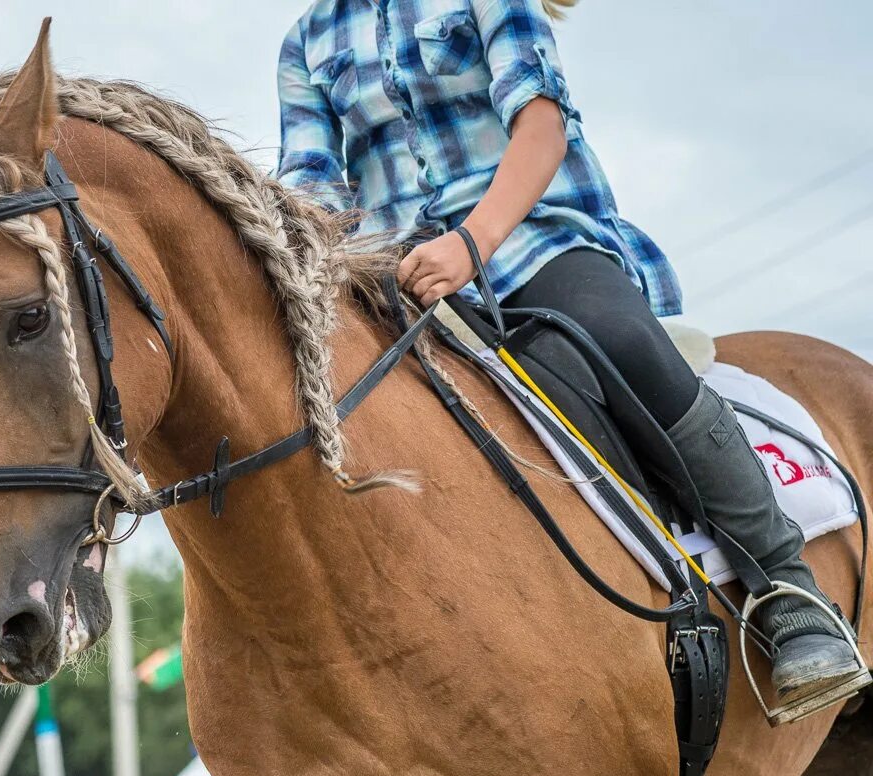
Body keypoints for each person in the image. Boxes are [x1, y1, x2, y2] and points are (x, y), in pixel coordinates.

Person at [276, 0, 864, 710]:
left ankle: (785, 583)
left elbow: (541, 123)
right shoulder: (307, 40)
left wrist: (472, 241)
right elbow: (310, 188)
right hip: (405, 282)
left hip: (533, 239)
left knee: (617, 340)